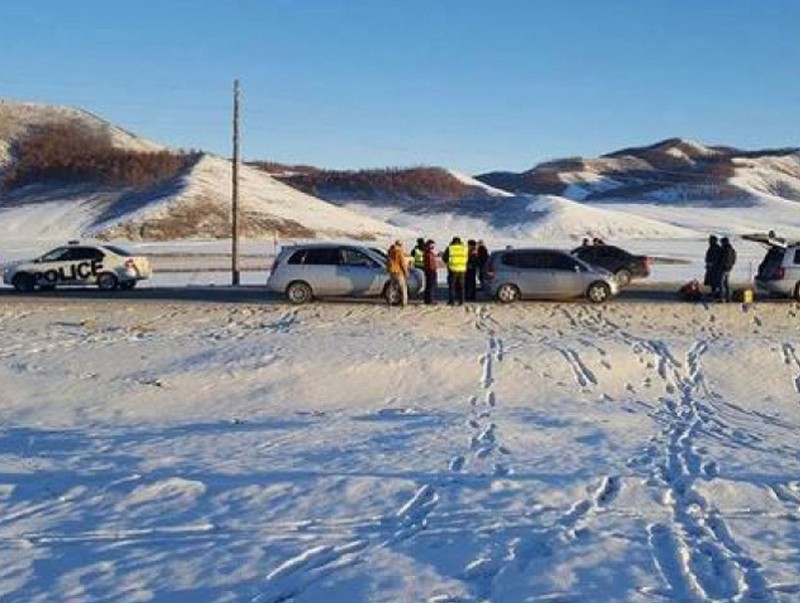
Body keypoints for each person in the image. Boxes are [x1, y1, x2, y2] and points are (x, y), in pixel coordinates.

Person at [442, 236, 467, 305]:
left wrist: (449, 263)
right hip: (462, 269)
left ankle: (451, 301)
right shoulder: (464, 248)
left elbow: (444, 258)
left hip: (452, 269)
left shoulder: (450, 248)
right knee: (461, 286)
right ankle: (461, 301)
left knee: (452, 286)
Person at [386, 240, 408, 307]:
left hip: (391, 271)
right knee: (403, 288)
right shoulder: (399, 251)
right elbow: (402, 263)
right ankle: (404, 302)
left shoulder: (390, 251)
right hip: (398, 272)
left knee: (392, 287)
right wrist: (406, 272)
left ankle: (390, 301)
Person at [717, 237, 737, 302]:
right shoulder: (732, 250)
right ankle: (728, 298)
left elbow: (722, 260)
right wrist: (731, 266)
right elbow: (734, 259)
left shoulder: (724, 250)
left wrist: (720, 266)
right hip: (729, 269)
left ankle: (722, 298)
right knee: (726, 284)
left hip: (723, 268)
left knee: (721, 284)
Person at [422, 239, 438, 305]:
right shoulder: (428, 252)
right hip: (430, 270)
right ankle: (430, 300)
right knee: (430, 286)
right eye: (432, 245)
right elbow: (429, 262)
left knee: (430, 286)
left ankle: (428, 299)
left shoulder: (430, 252)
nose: (433, 247)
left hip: (431, 270)